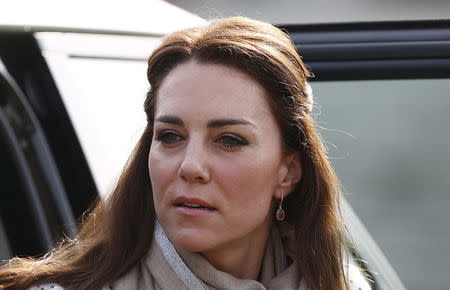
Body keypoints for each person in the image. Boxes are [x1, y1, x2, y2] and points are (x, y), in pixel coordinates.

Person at [0, 17, 370, 290]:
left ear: (287, 172)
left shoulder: (344, 284)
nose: (190, 166)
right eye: (170, 136)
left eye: (229, 140)